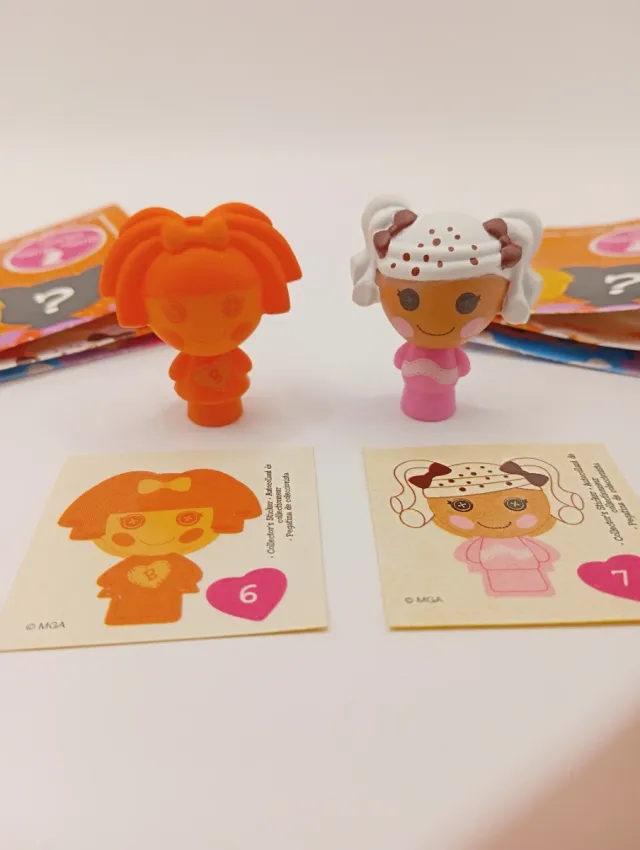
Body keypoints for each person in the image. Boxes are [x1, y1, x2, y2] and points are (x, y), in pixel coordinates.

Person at [99, 203, 302, 426]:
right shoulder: (194, 359)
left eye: (232, 308)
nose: (208, 329)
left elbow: (235, 365)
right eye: (176, 314)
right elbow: (185, 370)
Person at [350, 196, 542, 421]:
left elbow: (401, 361)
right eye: (408, 300)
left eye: (466, 304)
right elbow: (461, 368)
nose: (433, 322)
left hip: (443, 398)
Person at [58, 468, 261, 625]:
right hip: (127, 603)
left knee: (165, 608)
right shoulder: (128, 566)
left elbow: (192, 574)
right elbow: (109, 579)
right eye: (131, 522)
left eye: (188, 519)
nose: (159, 537)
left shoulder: (178, 564)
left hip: (167, 604)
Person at [391, 457, 584, 596]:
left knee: (536, 586)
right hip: (494, 571)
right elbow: (466, 555)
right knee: (497, 585)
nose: (495, 520)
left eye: (515, 504)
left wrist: (544, 557)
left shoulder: (524, 541)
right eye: (462, 506)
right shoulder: (480, 544)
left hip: (531, 569)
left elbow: (546, 554)